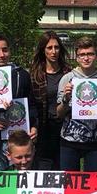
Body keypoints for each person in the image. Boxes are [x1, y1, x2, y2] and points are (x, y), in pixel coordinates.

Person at [56, 36, 97, 172]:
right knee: (69, 184)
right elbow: (59, 114)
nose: (86, 58)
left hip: (95, 142)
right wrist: (66, 98)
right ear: (76, 58)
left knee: (92, 185)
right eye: (82, 55)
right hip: (69, 140)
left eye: (90, 54)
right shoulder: (67, 79)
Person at [0, 32, 36, 169]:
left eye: (5, 50)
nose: (1, 55)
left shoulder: (21, 75)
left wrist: (34, 125)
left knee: (19, 181)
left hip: (18, 139)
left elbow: (31, 104)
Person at [30, 31, 71, 170]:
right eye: (49, 48)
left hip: (65, 126)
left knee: (63, 167)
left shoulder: (69, 73)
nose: (54, 51)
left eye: (56, 47)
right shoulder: (35, 74)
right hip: (43, 128)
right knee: (44, 167)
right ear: (43, 50)